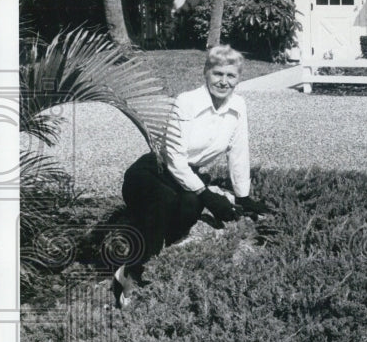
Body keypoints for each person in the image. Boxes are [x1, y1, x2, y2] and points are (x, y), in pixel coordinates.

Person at [112, 45, 268, 308]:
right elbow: (174, 157)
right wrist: (207, 194)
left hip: (187, 177)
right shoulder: (187, 101)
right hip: (153, 172)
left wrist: (244, 196)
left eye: (231, 76)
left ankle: (164, 264)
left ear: (238, 78)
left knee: (189, 206)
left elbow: (239, 151)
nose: (224, 81)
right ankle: (131, 275)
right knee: (164, 201)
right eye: (217, 73)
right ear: (206, 73)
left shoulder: (238, 105)